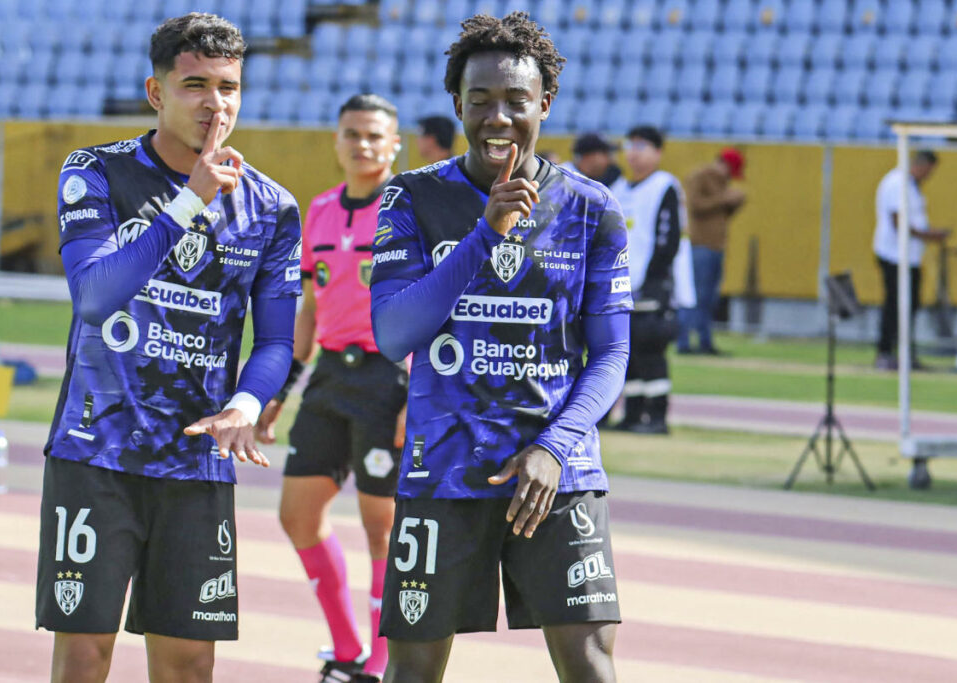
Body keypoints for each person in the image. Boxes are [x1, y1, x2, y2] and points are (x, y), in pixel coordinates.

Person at [35, 13, 301, 683]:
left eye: (229, 87)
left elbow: (272, 341)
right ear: (156, 93)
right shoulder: (94, 171)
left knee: (188, 665)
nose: (216, 104)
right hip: (95, 453)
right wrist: (189, 201)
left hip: (195, 463)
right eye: (195, 85)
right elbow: (95, 297)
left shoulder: (272, 208)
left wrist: (246, 401)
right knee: (84, 658)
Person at [369, 12, 631, 683]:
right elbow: (395, 332)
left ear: (545, 102)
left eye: (516, 101)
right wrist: (485, 235)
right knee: (413, 671)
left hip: (558, 476)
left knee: (591, 666)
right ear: (457, 103)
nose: (498, 118)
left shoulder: (592, 208)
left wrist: (555, 445)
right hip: (442, 472)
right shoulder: (412, 198)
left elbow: (609, 354)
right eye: (479, 100)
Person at [254, 93, 406, 683]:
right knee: (298, 514)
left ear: (395, 143)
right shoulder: (317, 210)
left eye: (374, 135)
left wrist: (416, 395)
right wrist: (278, 390)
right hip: (330, 377)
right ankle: (346, 652)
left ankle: (382, 662)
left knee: (382, 527)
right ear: (336, 140)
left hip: (389, 376)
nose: (362, 145)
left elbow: (434, 309)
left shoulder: (409, 209)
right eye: (352, 134)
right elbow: (309, 310)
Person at [610, 125, 683, 434]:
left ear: (657, 152)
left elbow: (669, 238)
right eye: (631, 145)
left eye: (642, 146)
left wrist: (654, 277)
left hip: (651, 284)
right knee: (630, 352)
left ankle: (657, 415)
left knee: (651, 347)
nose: (634, 153)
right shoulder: (620, 188)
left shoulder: (664, 186)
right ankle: (632, 413)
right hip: (622, 284)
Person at [872, 149, 949, 370]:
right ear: (920, 165)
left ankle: (904, 352)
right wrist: (929, 236)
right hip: (894, 254)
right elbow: (899, 222)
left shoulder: (912, 186)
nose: (929, 176)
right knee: (895, 305)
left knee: (911, 305)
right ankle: (885, 352)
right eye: (928, 171)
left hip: (910, 256)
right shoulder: (897, 183)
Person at [678, 147, 747, 355]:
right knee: (695, 295)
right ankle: (684, 342)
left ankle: (704, 341)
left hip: (716, 245)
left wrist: (734, 203)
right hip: (700, 245)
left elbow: (720, 215)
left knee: (709, 298)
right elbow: (695, 205)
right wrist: (726, 199)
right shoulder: (700, 176)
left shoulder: (721, 183)